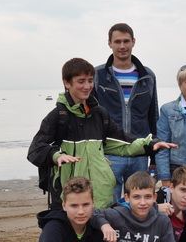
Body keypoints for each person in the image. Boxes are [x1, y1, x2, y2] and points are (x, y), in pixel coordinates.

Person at [28, 58, 173, 209]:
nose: (87, 86)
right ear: (67, 83)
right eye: (81, 81)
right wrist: (56, 155)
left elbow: (122, 140)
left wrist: (151, 144)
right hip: (72, 201)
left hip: (102, 197)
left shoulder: (100, 114)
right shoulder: (58, 116)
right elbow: (35, 149)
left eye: (90, 80)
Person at [94, 23, 159, 204]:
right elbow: (92, 116)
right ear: (109, 43)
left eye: (126, 41)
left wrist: (154, 157)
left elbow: (153, 116)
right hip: (109, 154)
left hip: (139, 152)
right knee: (109, 204)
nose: (122, 46)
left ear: (133, 42)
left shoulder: (147, 75)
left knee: (139, 204)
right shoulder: (98, 75)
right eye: (117, 42)